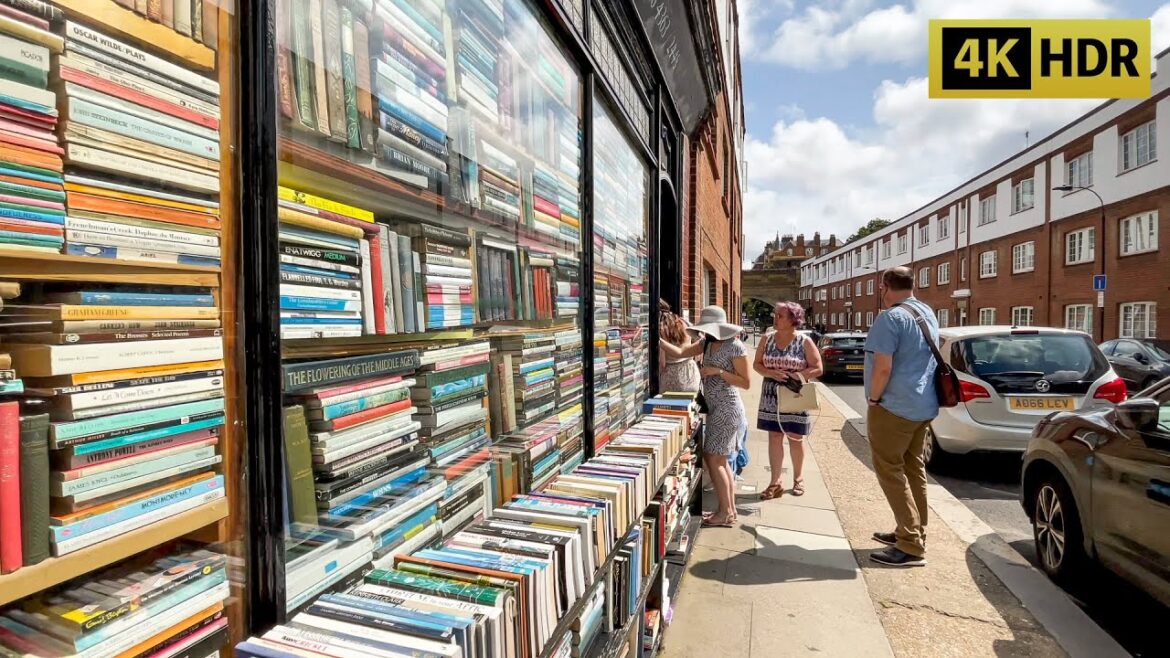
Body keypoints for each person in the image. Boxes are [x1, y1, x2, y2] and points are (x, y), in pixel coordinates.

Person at [864, 266, 939, 567]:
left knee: (890, 471)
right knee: (913, 468)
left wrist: (873, 398)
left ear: (884, 287)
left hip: (893, 407)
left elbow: (883, 367)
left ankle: (910, 545)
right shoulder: (927, 313)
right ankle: (914, 531)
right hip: (922, 407)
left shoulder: (890, 318)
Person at [660, 305, 750, 527]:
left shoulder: (735, 347)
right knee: (720, 461)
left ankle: (726, 512)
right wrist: (655, 337)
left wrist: (718, 372)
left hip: (727, 408)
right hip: (716, 407)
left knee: (714, 459)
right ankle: (728, 511)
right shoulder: (706, 343)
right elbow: (679, 352)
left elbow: (746, 382)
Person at [753, 301, 823, 500]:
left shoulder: (804, 341)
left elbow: (818, 368)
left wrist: (798, 375)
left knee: (795, 437)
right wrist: (770, 372)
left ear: (794, 320)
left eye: (780, 316)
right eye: (775, 315)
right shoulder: (766, 339)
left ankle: (798, 478)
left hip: (795, 395)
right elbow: (757, 364)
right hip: (771, 395)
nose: (775, 319)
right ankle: (775, 483)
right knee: (774, 437)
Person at [657, 300, 701, 393]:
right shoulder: (684, 322)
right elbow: (699, 340)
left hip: (671, 377)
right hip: (690, 372)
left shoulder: (661, 329)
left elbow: (662, 364)